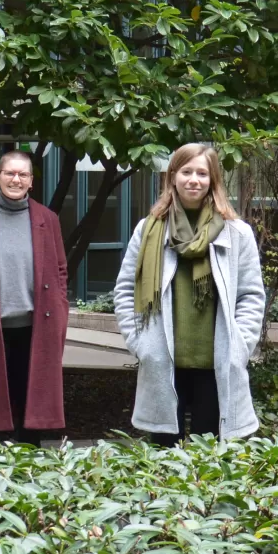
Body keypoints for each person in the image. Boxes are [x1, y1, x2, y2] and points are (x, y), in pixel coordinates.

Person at [113, 143, 265, 441]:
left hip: (217, 361)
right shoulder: (149, 230)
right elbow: (126, 290)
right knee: (163, 457)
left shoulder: (236, 232)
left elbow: (250, 296)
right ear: (172, 177)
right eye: (186, 172)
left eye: (202, 173)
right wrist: (140, 344)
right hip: (163, 361)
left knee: (208, 458)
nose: (193, 180)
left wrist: (240, 347)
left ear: (213, 180)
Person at [0, 149, 69, 441]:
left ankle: (29, 474)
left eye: (23, 174)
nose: (15, 179)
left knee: (32, 405)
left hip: (35, 326)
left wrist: (60, 305)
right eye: (10, 173)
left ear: (31, 181)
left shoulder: (48, 219)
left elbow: (60, 269)